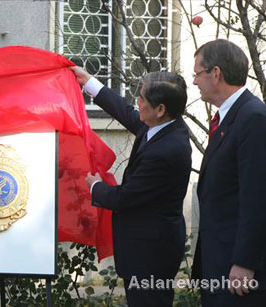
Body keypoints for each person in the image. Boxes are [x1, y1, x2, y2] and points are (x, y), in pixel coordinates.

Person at [70, 66, 192, 307]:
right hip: (146, 247)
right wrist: (89, 82)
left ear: (160, 109)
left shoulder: (166, 150)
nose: (137, 102)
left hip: (151, 255)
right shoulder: (162, 126)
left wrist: (95, 186)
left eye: (142, 98)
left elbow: (126, 197)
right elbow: (127, 113)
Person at [191, 39, 266, 306]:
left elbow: (257, 197)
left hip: (239, 273)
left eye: (197, 74)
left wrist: (245, 262)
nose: (194, 82)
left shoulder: (253, 118)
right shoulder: (228, 117)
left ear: (216, 73)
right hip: (218, 263)